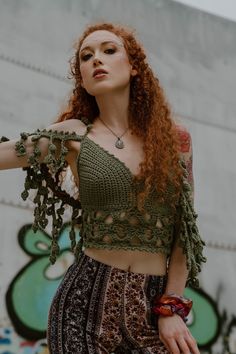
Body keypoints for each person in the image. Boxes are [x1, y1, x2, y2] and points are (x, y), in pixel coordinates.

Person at [0, 22, 206, 354]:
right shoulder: (74, 134)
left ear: (134, 66)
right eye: (86, 56)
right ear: (81, 77)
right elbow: (7, 154)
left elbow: (185, 229)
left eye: (109, 51)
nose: (97, 60)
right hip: (81, 307)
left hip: (152, 309)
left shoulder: (174, 139)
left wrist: (171, 308)